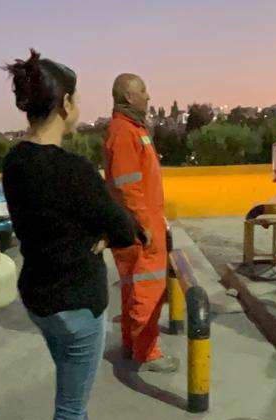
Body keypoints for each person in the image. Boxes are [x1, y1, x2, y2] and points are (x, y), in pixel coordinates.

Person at [1, 50, 140, 420]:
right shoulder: (72, 170)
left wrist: (90, 232)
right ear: (64, 104)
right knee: (69, 405)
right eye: (76, 99)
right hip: (76, 302)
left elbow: (49, 221)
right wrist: (102, 235)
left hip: (39, 298)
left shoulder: (15, 161)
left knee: (70, 385)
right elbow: (122, 227)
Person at [103, 73, 179, 373]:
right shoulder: (124, 131)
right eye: (143, 91)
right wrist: (146, 224)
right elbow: (127, 184)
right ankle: (147, 352)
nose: (148, 96)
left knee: (132, 289)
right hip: (140, 227)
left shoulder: (130, 128)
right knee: (147, 290)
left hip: (136, 223)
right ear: (128, 97)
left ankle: (132, 344)